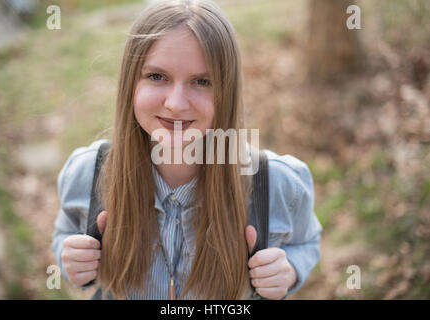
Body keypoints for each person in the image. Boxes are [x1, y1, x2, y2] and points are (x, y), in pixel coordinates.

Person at [52, 0, 322, 300]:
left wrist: (290, 269)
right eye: (157, 76)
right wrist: (74, 261)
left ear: (227, 92)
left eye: (202, 81)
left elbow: (306, 241)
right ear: (131, 82)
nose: (176, 103)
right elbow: (65, 232)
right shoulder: (88, 174)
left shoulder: (277, 184)